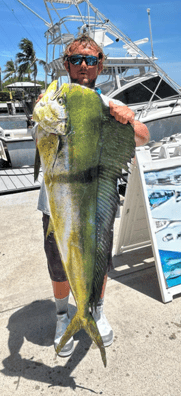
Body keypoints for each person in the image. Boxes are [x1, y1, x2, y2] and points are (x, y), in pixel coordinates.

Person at [34, 33, 150, 358]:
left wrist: (127, 117)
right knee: (59, 264)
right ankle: (62, 315)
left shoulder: (105, 103)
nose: (83, 65)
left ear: (100, 65)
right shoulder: (55, 95)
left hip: (97, 203)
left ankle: (94, 310)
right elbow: (39, 126)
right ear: (66, 64)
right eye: (76, 59)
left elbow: (143, 137)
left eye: (90, 59)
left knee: (98, 261)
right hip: (58, 203)